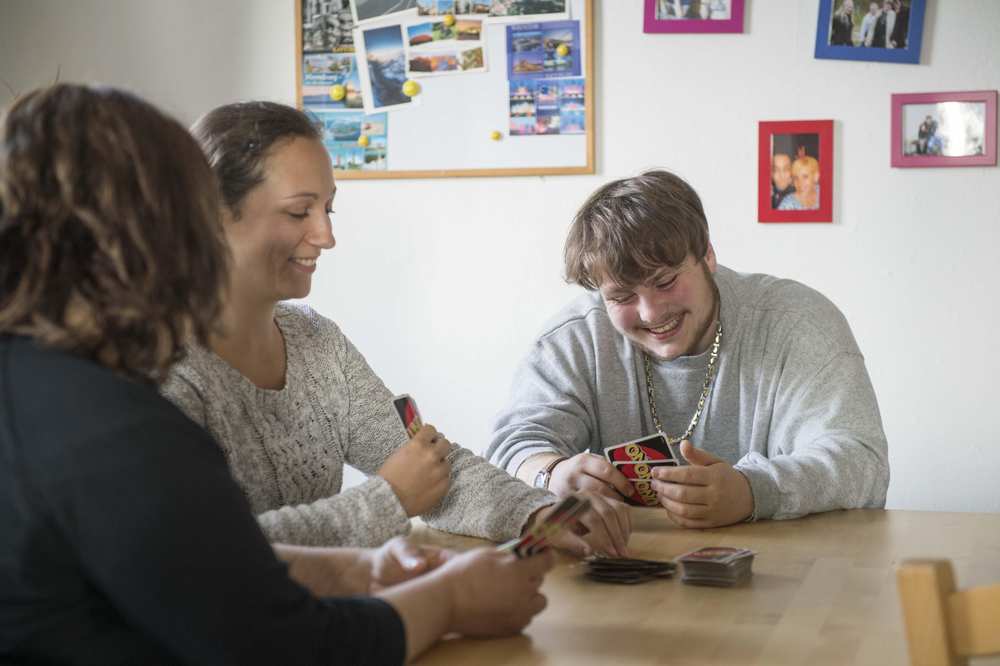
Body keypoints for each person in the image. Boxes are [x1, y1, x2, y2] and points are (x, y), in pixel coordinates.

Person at [0, 83, 555, 665]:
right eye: (298, 211)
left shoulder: (45, 384)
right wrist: (446, 597)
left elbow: (199, 560)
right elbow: (277, 641)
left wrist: (362, 569)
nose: (326, 235)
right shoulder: (118, 418)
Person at [160, 101, 631, 557]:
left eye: (329, 209)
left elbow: (431, 471)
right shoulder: (159, 367)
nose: (326, 236)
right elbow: (204, 552)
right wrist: (390, 499)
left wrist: (540, 513)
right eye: (300, 211)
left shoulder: (315, 340)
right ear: (215, 214)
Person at [486, 170, 889, 528]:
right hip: (630, 568)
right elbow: (513, 444)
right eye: (622, 296)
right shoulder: (575, 337)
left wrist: (753, 492)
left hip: (788, 579)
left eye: (664, 282)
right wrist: (550, 474)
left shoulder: (796, 321)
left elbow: (860, 460)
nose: (650, 312)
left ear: (708, 255)